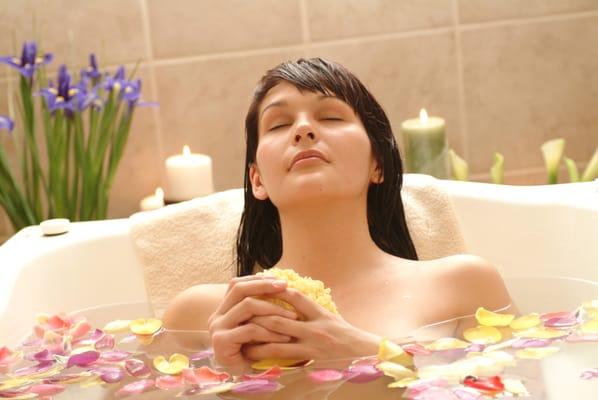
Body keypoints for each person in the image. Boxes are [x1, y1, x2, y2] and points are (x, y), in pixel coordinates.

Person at [162, 57, 514, 374]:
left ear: (377, 163)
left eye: (330, 116)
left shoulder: (463, 285)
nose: (303, 129)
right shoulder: (201, 315)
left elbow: (527, 389)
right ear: (257, 179)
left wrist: (363, 354)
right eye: (278, 125)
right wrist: (227, 378)